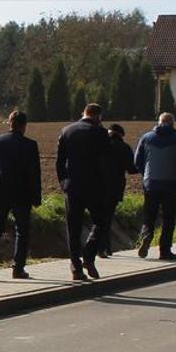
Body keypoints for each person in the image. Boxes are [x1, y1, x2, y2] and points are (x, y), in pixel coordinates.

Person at [0, 110, 42, 281]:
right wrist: (37, 197)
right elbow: (34, 173)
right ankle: (18, 268)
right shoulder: (30, 145)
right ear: (24, 125)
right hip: (21, 194)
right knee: (22, 231)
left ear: (9, 123)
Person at [133, 112, 176, 262]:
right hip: (171, 184)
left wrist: (146, 176)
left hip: (151, 184)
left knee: (149, 214)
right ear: (172, 124)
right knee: (168, 218)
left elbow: (137, 161)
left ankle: (146, 235)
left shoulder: (146, 138)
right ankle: (165, 250)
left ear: (159, 122)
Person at [54, 104, 107, 281]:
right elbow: (105, 161)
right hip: (94, 186)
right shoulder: (100, 133)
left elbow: (60, 162)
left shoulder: (66, 131)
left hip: (72, 187)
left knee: (73, 227)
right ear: (98, 117)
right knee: (101, 221)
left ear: (83, 113)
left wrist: (63, 182)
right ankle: (89, 253)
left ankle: (76, 268)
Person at [96, 123, 138, 258]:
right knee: (107, 218)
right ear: (121, 135)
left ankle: (100, 247)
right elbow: (131, 169)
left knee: (98, 217)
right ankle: (104, 248)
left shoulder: (99, 145)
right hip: (115, 187)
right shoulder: (124, 147)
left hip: (97, 186)